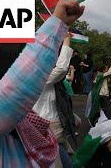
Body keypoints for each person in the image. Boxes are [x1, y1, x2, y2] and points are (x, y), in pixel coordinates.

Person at [0, 0, 84, 167]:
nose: (21, 66)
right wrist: (59, 25)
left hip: (49, 129)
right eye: (16, 66)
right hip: (52, 125)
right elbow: (17, 88)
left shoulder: (29, 127)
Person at [32, 33, 76, 168]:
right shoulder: (36, 75)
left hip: (54, 130)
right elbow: (61, 69)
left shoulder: (47, 77)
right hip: (46, 130)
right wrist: (67, 40)